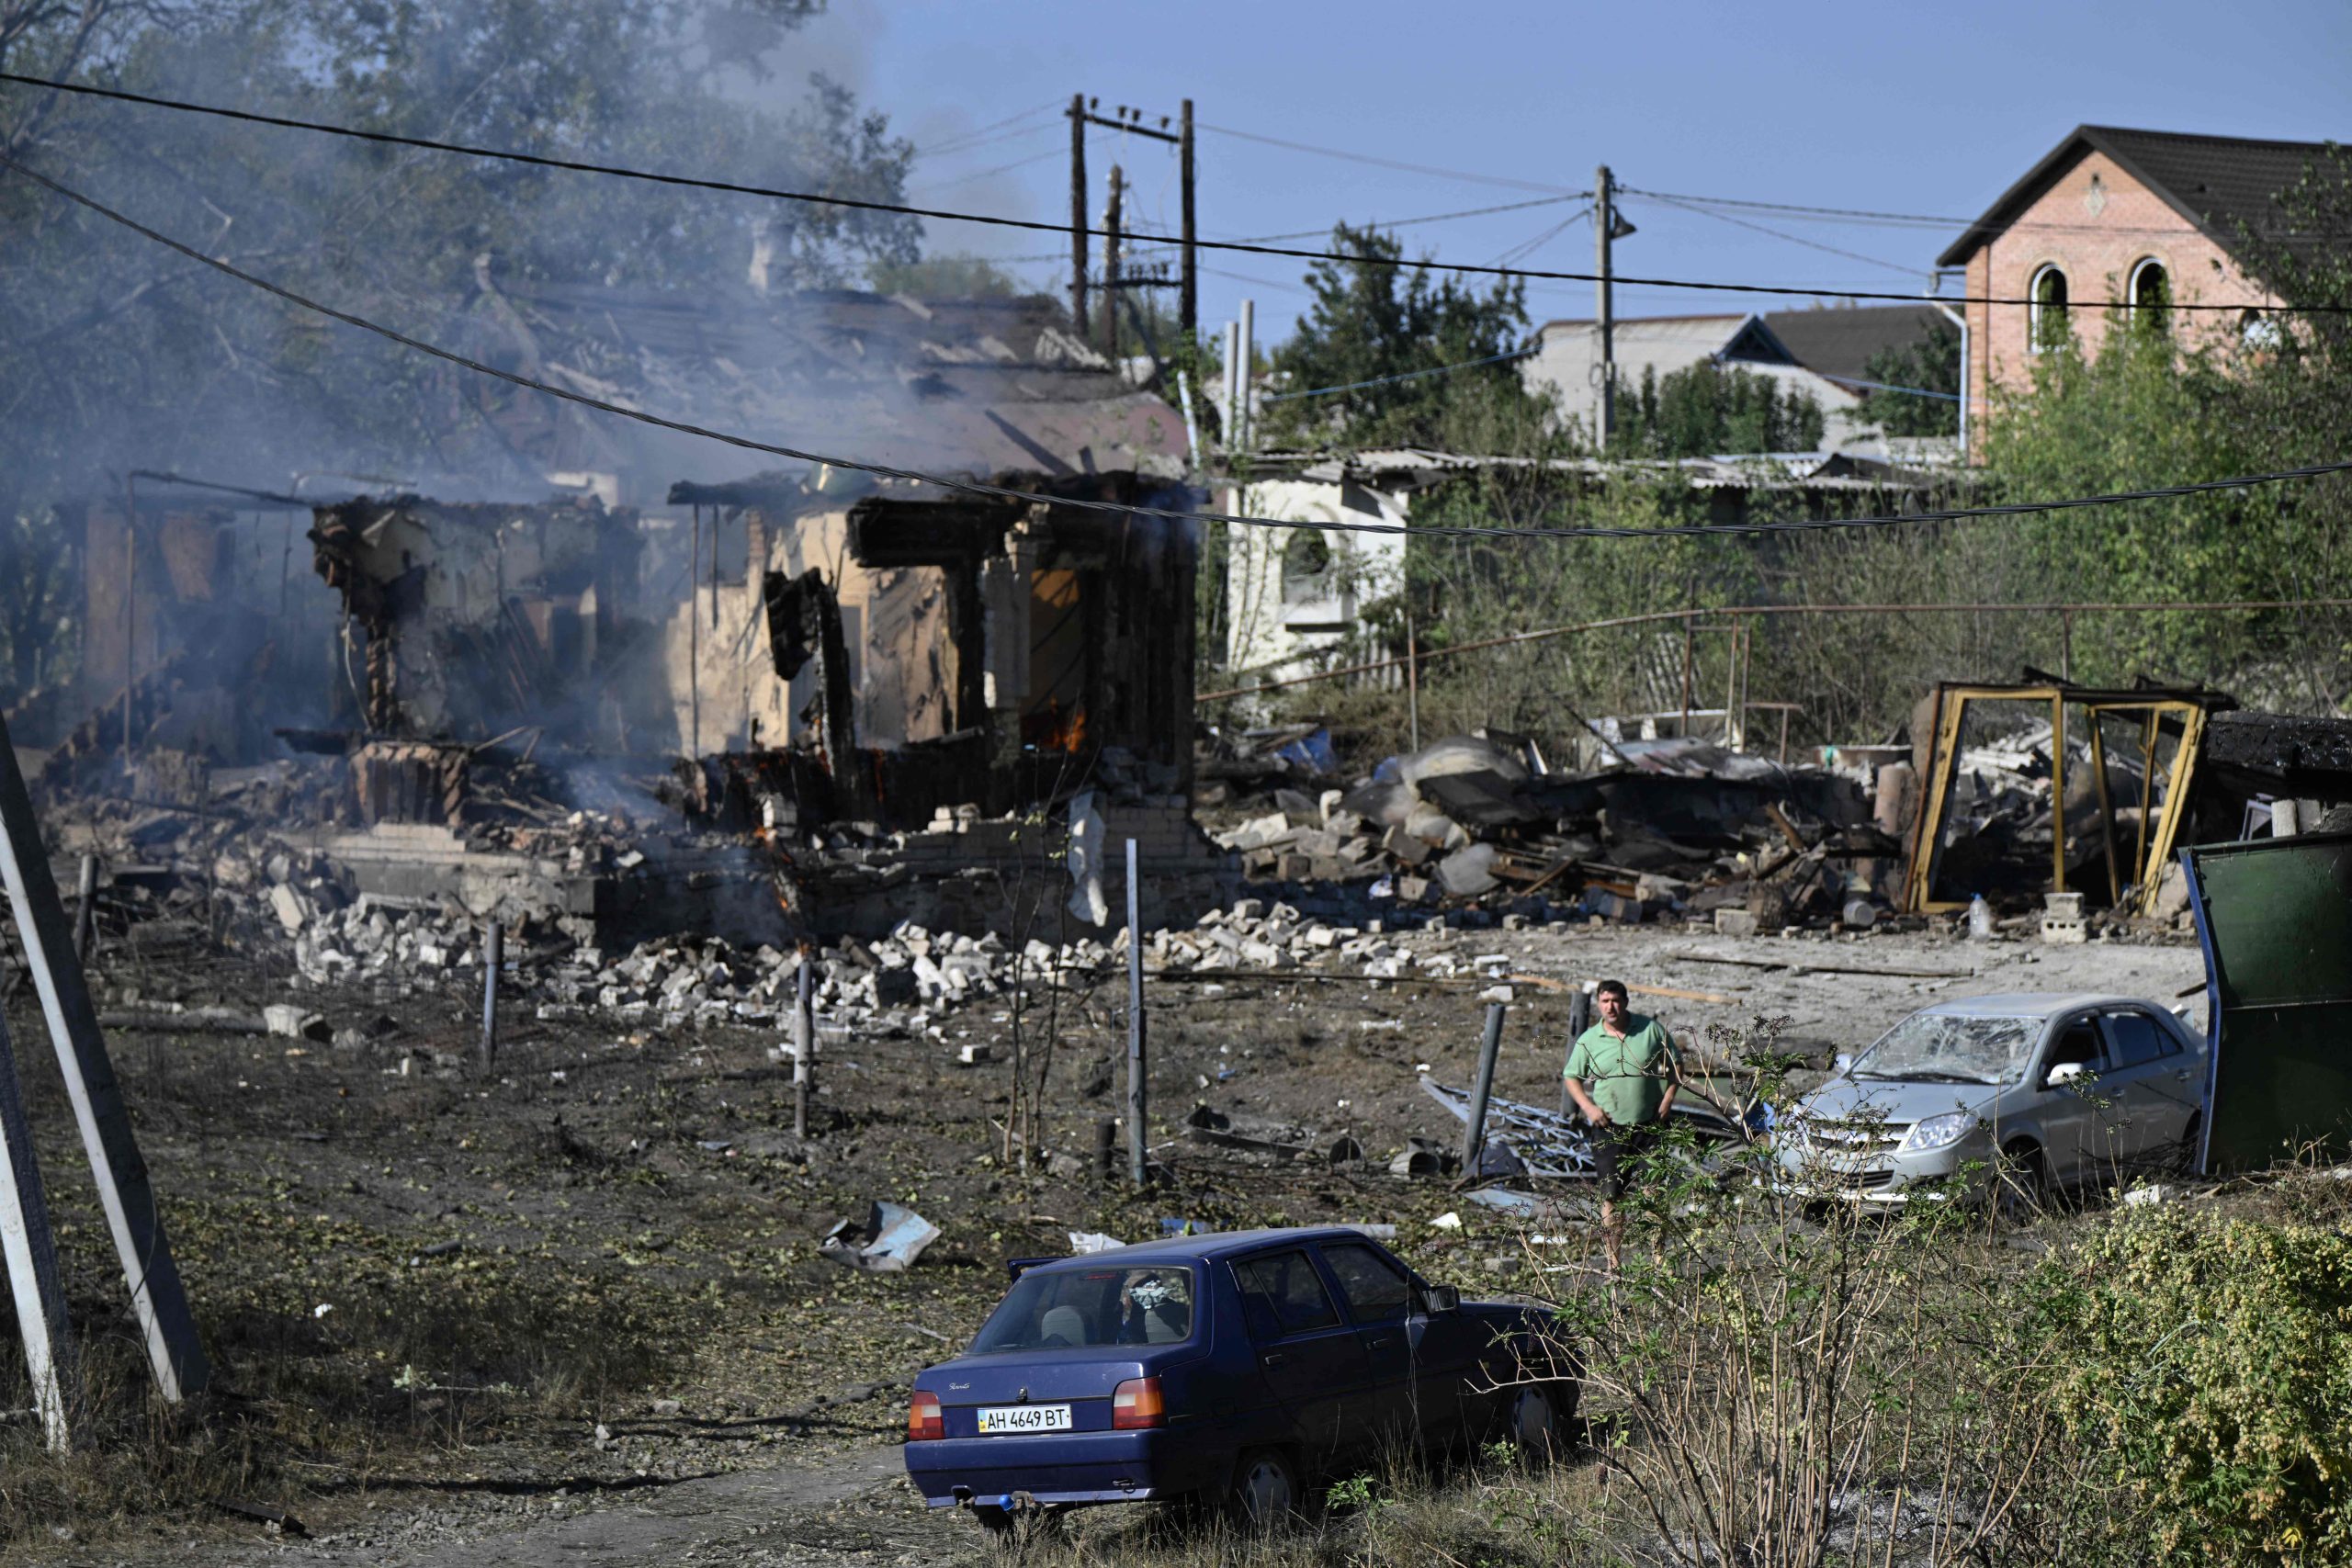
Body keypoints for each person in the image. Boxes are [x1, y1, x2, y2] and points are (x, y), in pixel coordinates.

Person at [1562, 980, 1681, 1271]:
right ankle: (1614, 1266)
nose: (1610, 1006)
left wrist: (1667, 1099)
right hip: (1610, 1129)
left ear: (1625, 1002)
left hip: (1649, 1127)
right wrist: (1588, 1108)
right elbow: (1571, 1076)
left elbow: (1677, 1066)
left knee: (1655, 1193)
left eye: (1615, 1000)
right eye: (1604, 1001)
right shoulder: (1590, 1039)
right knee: (1612, 1198)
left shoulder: (1650, 1030)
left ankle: (1658, 1261)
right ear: (1598, 1005)